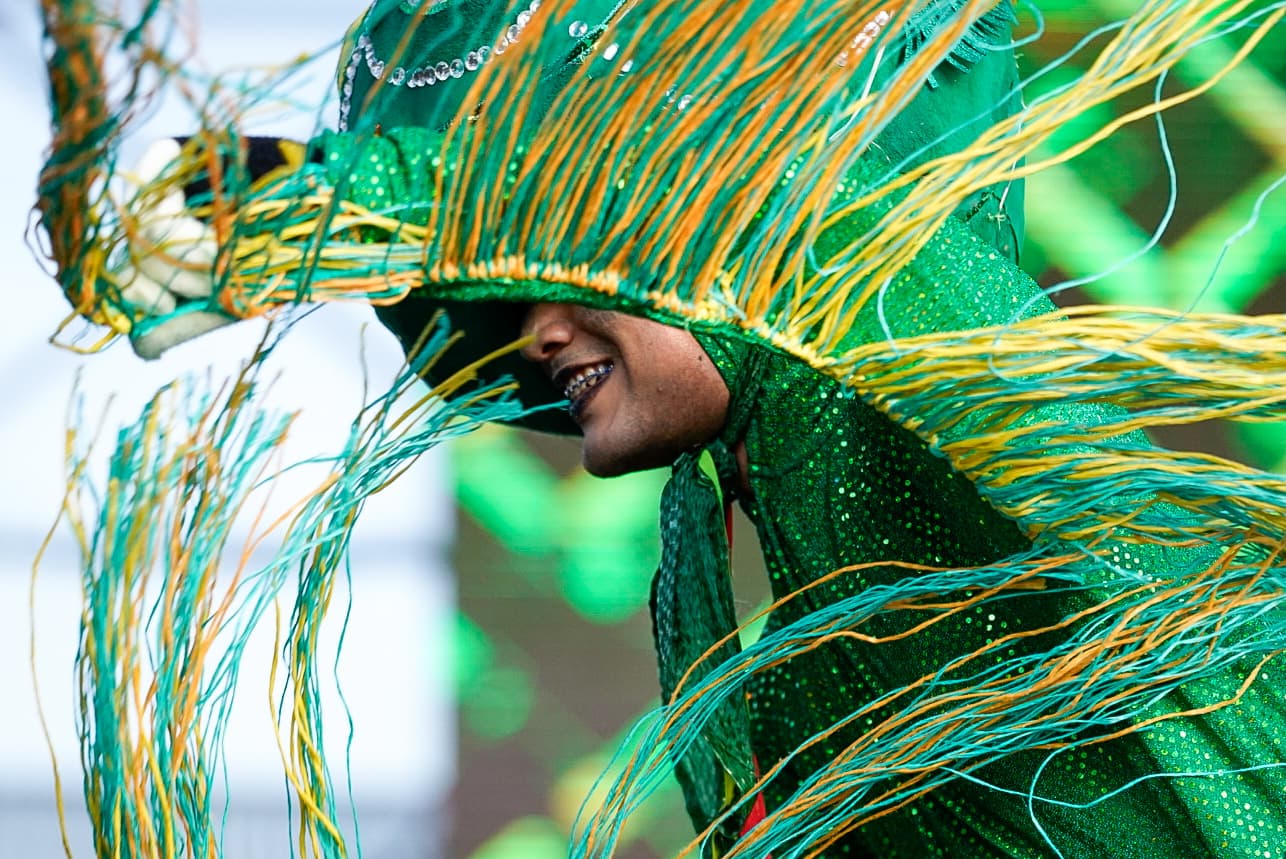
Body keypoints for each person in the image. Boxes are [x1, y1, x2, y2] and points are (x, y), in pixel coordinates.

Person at [53, 0, 1286, 855]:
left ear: (727, 220)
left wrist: (316, 203)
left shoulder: (887, 361)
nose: (531, 332)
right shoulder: (736, 503)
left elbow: (824, 226)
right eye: (499, 296)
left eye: (572, 254)